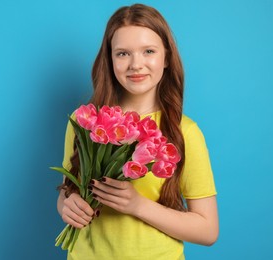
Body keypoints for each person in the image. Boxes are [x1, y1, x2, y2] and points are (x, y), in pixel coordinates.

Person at [57, 3, 218, 259]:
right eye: (122, 53)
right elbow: (67, 191)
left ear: (166, 58)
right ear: (109, 60)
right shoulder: (84, 120)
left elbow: (208, 230)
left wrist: (137, 206)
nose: (136, 64)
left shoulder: (184, 132)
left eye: (149, 51)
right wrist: (68, 206)